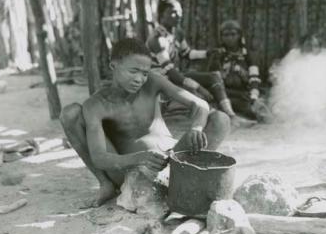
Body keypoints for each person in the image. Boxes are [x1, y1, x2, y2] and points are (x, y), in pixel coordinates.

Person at [60, 38, 230, 208]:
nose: (139, 79)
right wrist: (140, 158)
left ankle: (184, 179)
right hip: (133, 172)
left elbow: (200, 104)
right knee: (70, 113)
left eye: (144, 73)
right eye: (133, 71)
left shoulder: (153, 83)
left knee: (221, 120)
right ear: (113, 66)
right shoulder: (97, 105)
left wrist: (196, 128)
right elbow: (99, 157)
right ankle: (108, 185)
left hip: (175, 159)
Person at [146, 0, 255, 128]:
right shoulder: (158, 38)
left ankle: (231, 116)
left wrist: (207, 53)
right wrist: (197, 87)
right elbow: (170, 71)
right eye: (173, 12)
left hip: (172, 75)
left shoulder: (177, 32)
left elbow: (187, 53)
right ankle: (212, 121)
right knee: (195, 90)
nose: (179, 15)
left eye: (180, 11)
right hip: (160, 79)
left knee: (214, 76)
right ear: (162, 15)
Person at [206, 20, 269, 121]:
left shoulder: (247, 55)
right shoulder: (217, 54)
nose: (230, 38)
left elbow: (254, 78)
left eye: (233, 34)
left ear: (239, 35)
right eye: (226, 35)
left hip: (244, 93)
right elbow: (214, 80)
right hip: (225, 93)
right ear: (221, 37)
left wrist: (253, 96)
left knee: (259, 109)